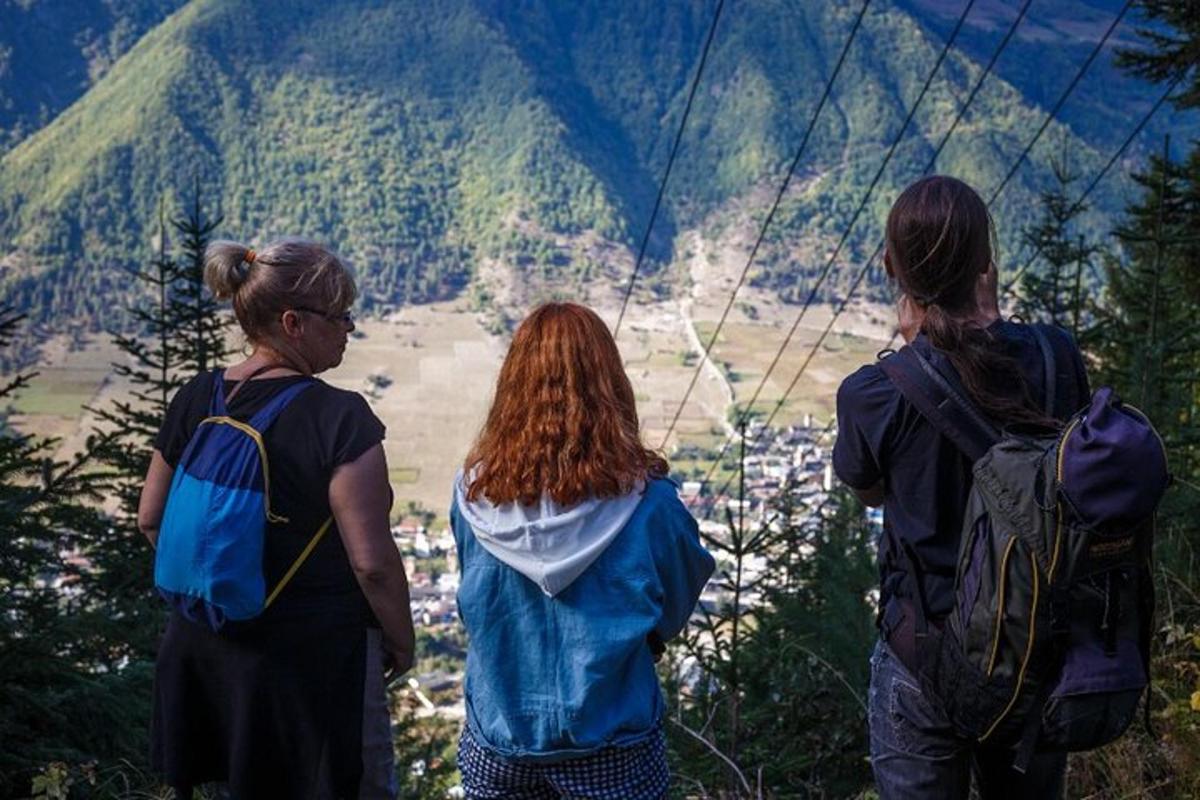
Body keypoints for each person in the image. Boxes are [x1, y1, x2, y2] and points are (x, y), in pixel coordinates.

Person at [832, 176, 1090, 799]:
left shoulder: (874, 393)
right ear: (985, 265)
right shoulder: (1055, 358)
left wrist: (916, 346)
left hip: (921, 650)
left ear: (891, 268)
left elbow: (869, 492)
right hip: (1033, 646)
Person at [137, 238, 415, 799]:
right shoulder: (341, 418)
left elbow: (151, 518)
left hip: (203, 655)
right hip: (311, 667)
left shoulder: (198, 396)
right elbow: (372, 564)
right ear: (293, 322)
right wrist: (401, 640)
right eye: (339, 317)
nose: (349, 329)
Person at [449, 302, 714, 800]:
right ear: (610, 386)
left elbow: (476, 603)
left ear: (512, 390)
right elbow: (675, 603)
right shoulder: (650, 506)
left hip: (501, 739)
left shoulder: (471, 498)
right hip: (612, 744)